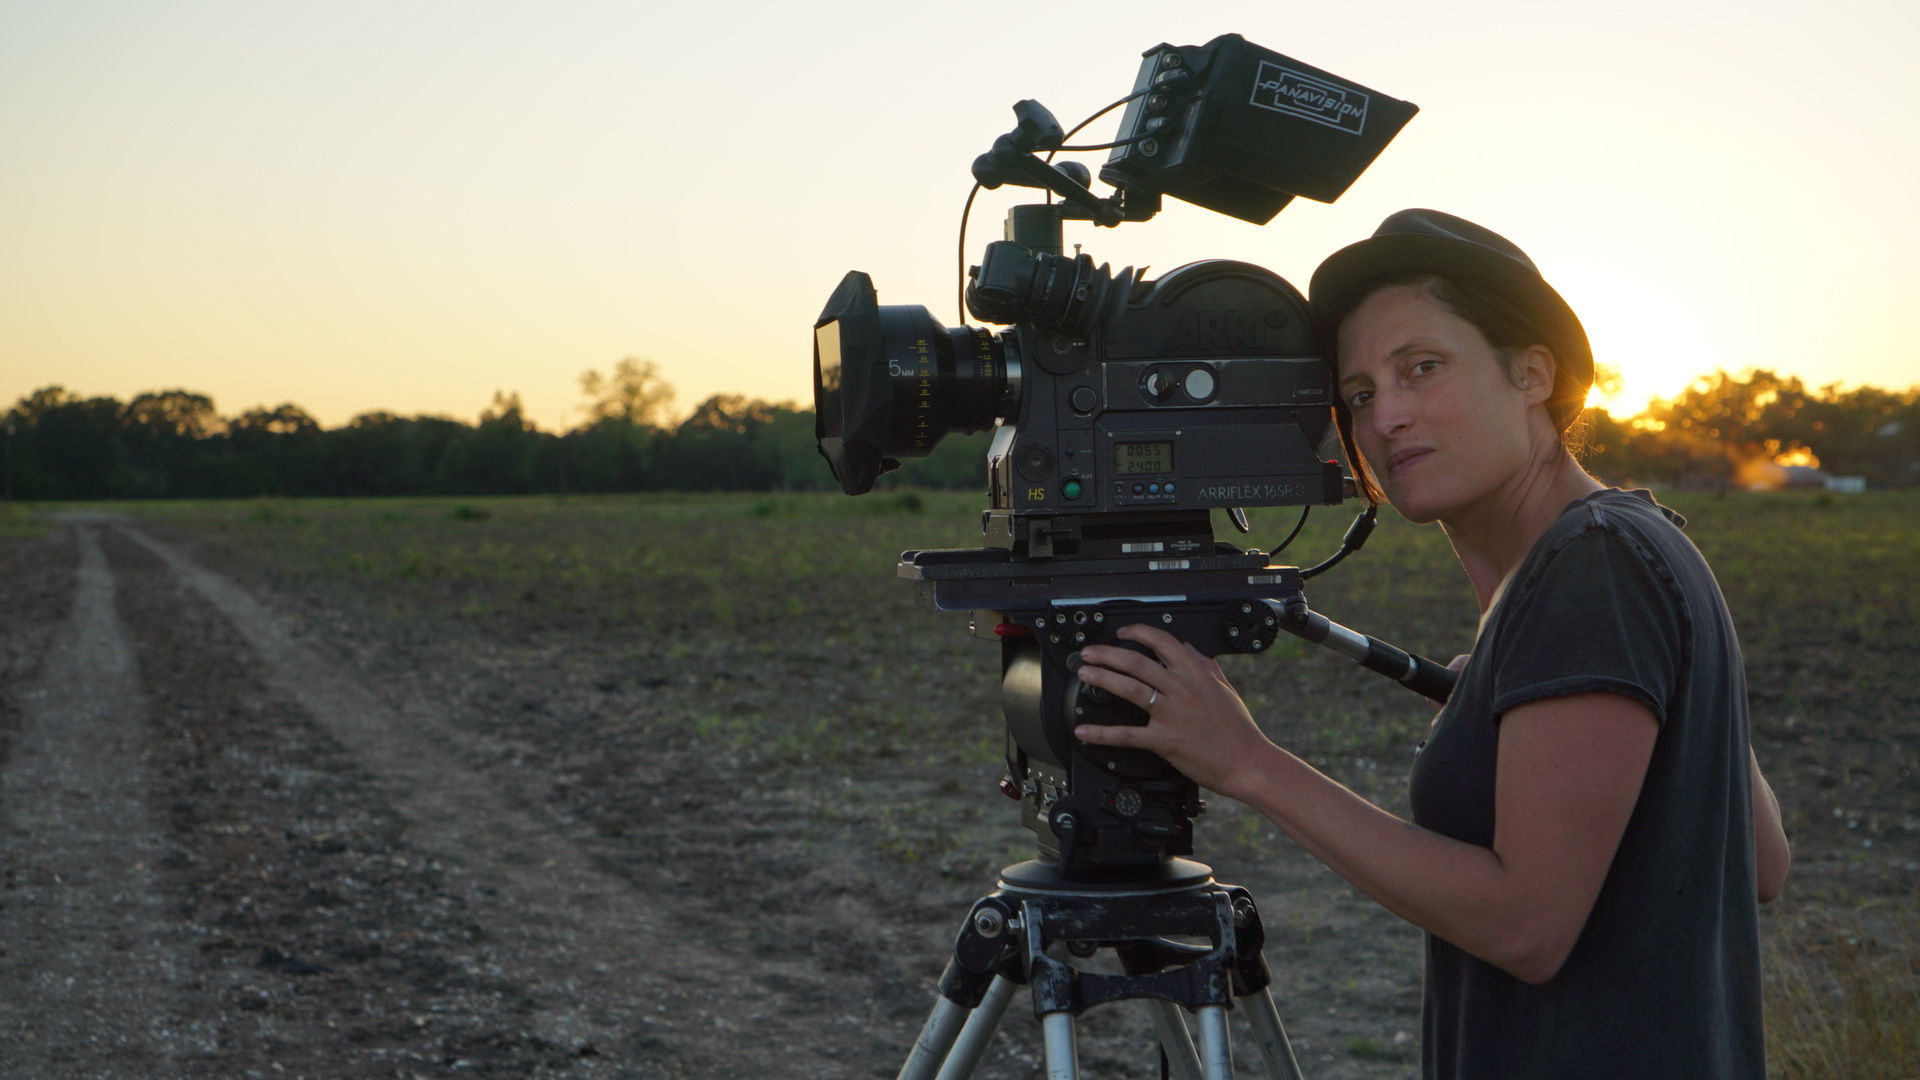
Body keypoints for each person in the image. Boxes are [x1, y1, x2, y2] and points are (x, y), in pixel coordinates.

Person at [1072, 210, 1792, 1079]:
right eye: (1362, 394)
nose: (1388, 418)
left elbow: (1525, 926)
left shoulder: (1593, 564)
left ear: (1532, 374)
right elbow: (1758, 858)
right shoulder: (1627, 544)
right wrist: (1514, 694)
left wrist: (1247, 762)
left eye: (1423, 368)